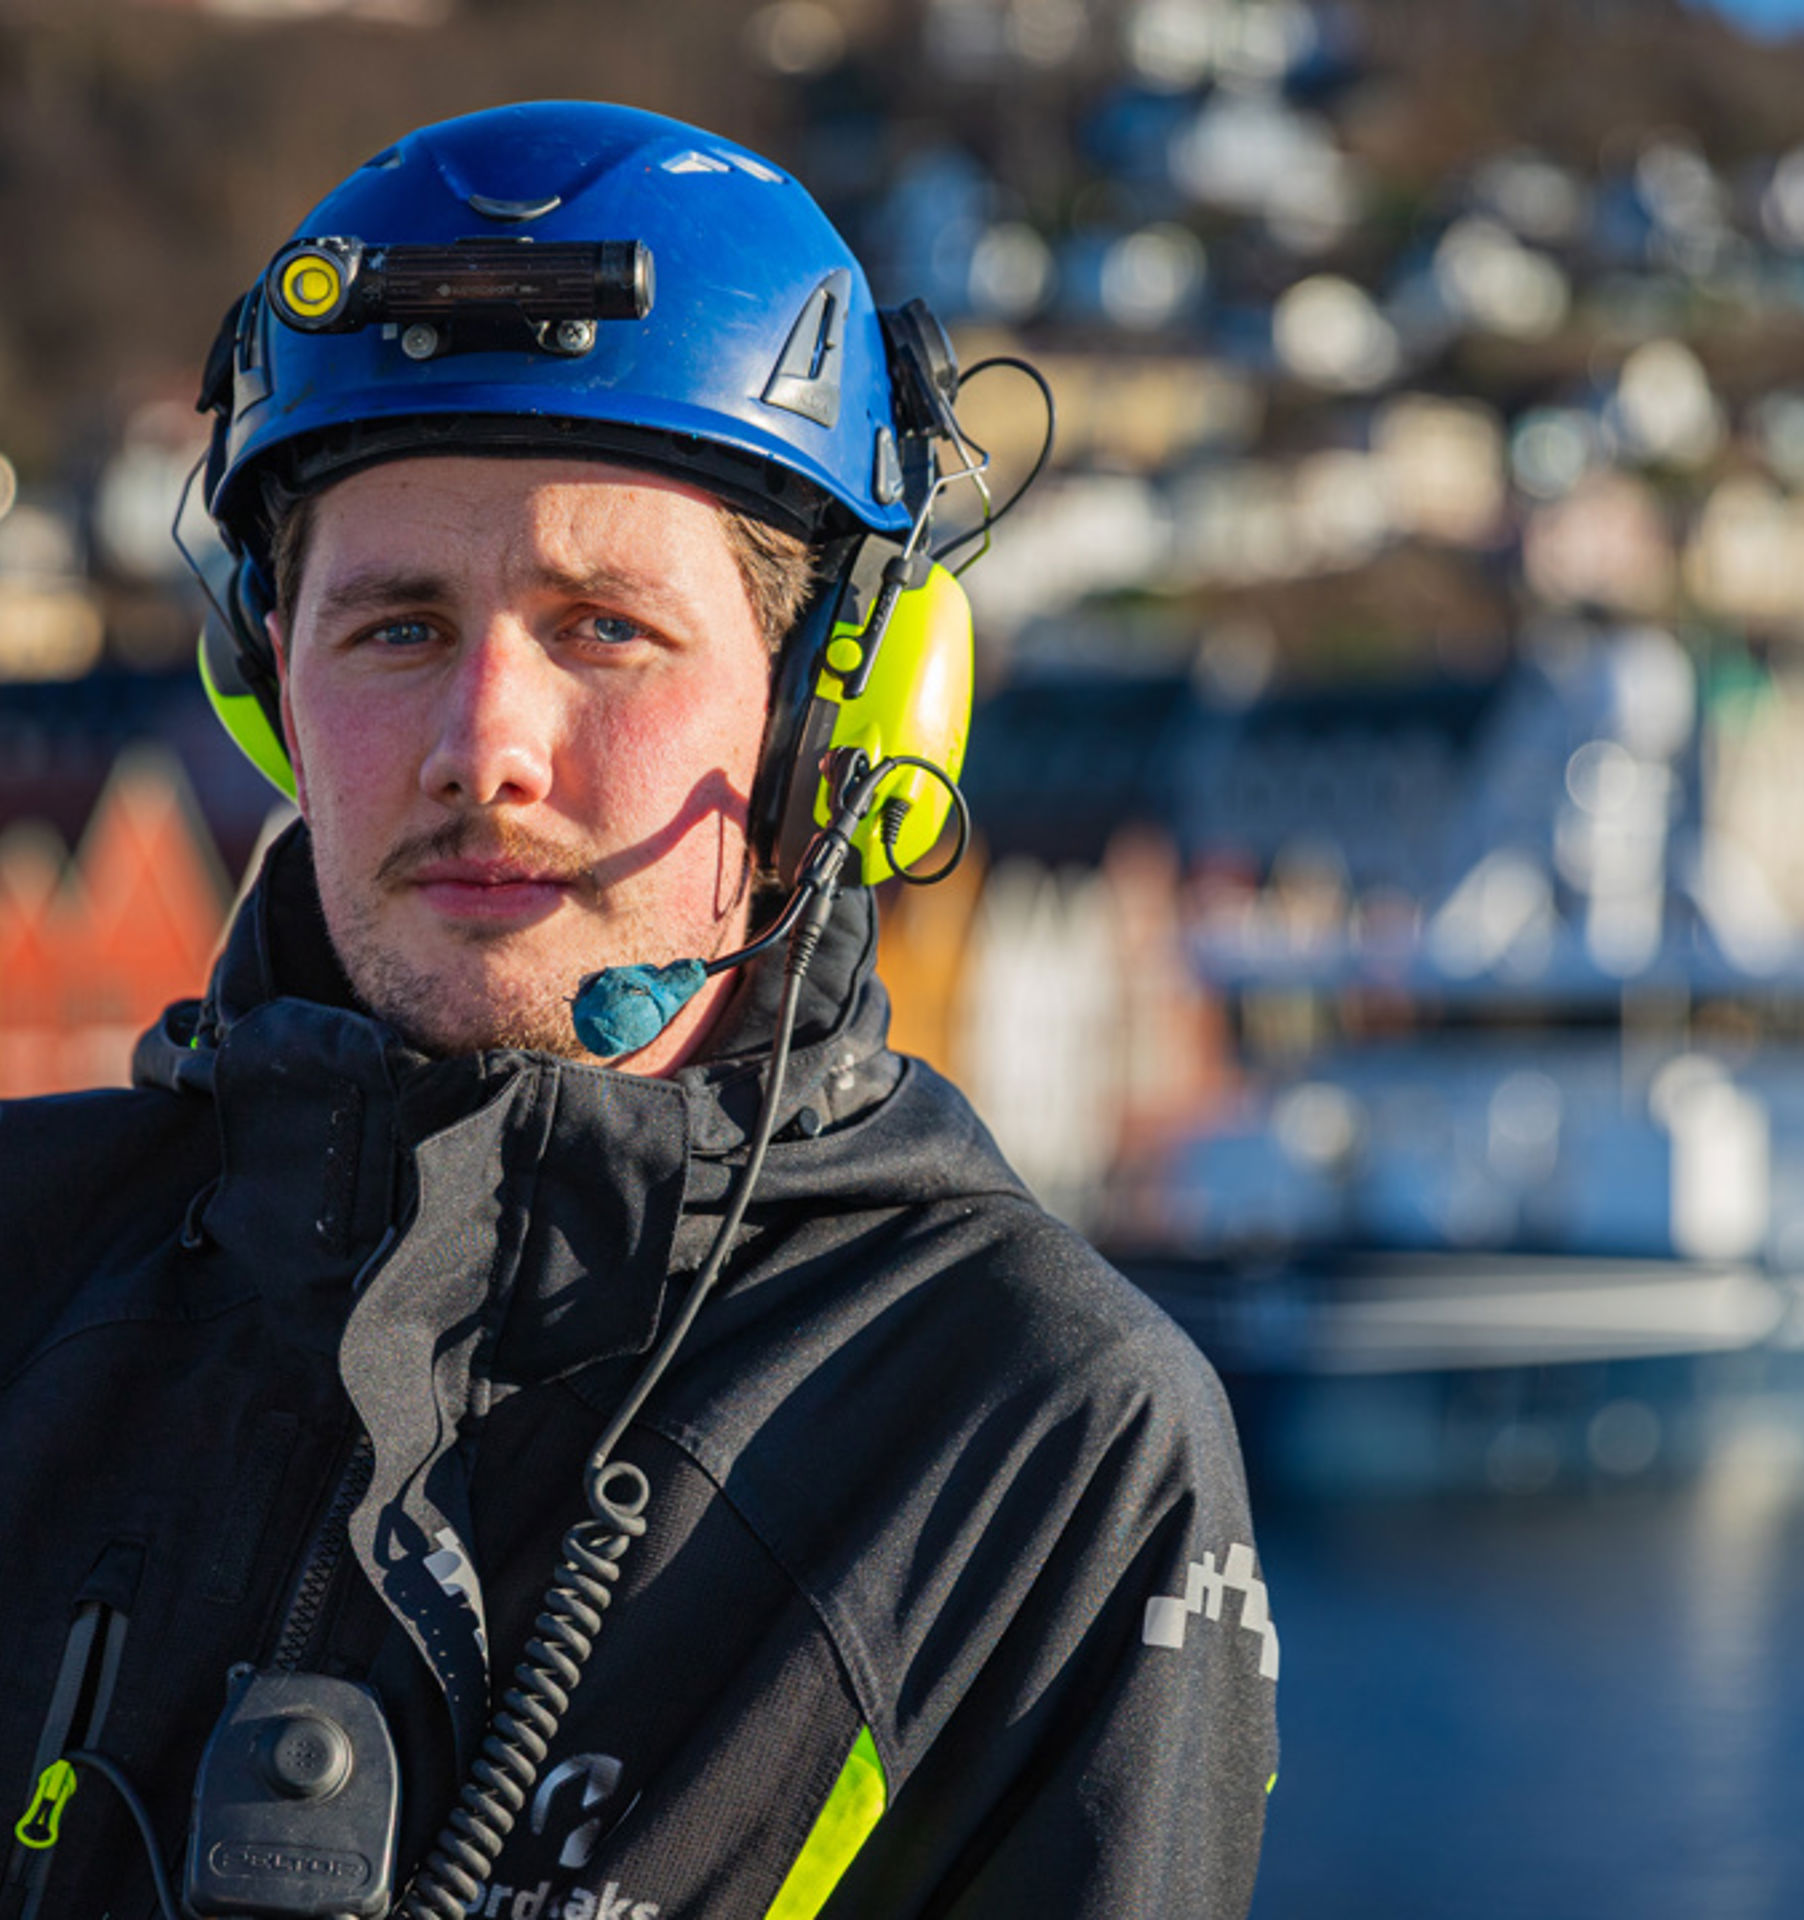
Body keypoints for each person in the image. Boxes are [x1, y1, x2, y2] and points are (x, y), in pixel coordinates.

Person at [0, 102, 1277, 1920]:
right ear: (264, 682)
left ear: (828, 711)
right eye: (397, 628)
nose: (484, 752)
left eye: (603, 626)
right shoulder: (29, 1275)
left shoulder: (1027, 1434)